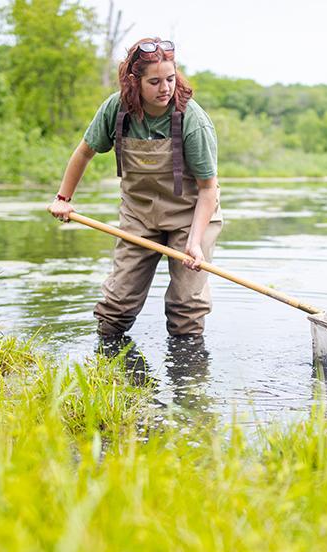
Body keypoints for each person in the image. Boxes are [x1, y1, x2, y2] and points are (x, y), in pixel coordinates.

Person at [47, 37, 222, 337]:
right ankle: (106, 376)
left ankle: (188, 382)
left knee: (186, 309)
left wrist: (193, 243)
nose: (165, 88)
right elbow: (84, 152)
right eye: (154, 81)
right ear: (134, 82)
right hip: (138, 216)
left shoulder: (193, 120)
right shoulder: (117, 110)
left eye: (170, 78)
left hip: (190, 217)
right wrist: (63, 198)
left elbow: (208, 189)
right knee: (117, 306)